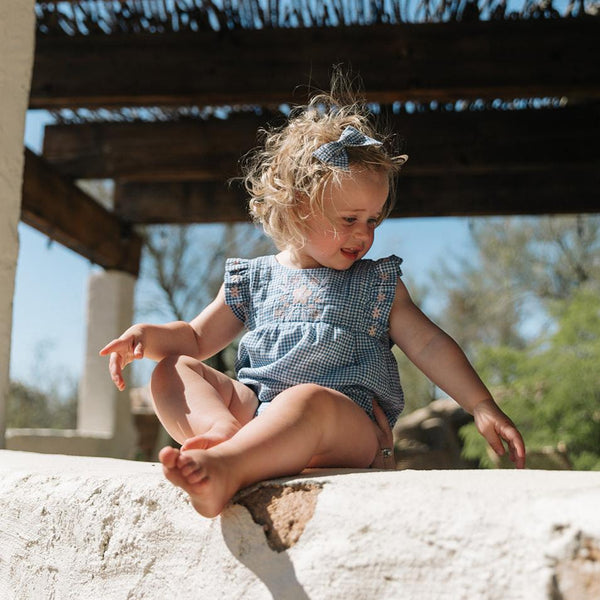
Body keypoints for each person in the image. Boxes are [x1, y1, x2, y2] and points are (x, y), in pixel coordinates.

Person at [100, 77, 526, 518]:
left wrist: (480, 404)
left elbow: (430, 343)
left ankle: (224, 469)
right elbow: (193, 337)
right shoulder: (253, 279)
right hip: (258, 414)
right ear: (298, 206)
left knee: (307, 400)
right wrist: (146, 338)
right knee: (174, 369)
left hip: (344, 423)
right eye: (349, 219)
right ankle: (221, 434)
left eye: (373, 220)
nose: (364, 233)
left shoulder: (376, 284)